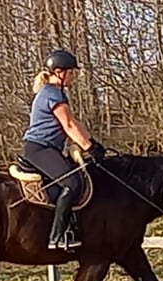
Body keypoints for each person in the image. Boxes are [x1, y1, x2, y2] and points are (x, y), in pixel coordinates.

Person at [21, 49, 106, 250]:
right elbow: (68, 125)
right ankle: (57, 235)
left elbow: (74, 123)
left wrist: (92, 142)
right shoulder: (53, 94)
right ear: (59, 72)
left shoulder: (52, 93)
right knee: (73, 183)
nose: (73, 77)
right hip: (40, 149)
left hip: (46, 148)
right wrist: (89, 147)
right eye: (71, 72)